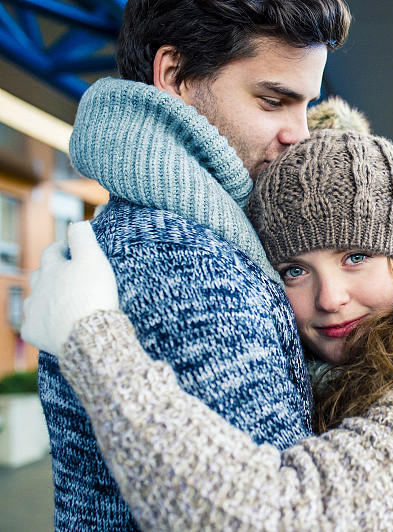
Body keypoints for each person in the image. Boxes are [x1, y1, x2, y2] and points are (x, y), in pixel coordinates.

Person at [23, 130, 393, 530]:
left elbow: (280, 518)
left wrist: (92, 339)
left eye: (356, 256)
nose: (329, 298)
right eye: (294, 270)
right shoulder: (327, 379)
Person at [36, 1, 351, 529]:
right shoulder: (188, 265)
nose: (300, 132)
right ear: (175, 76)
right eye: (274, 101)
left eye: (306, 106)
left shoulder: (140, 235)